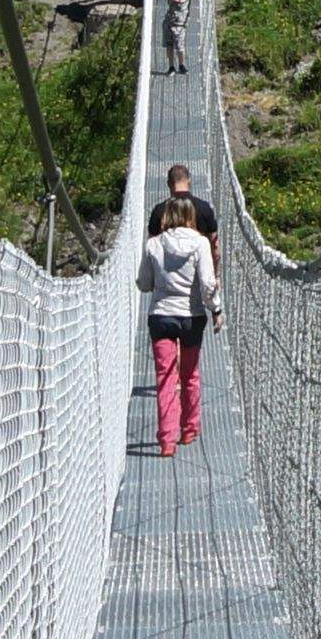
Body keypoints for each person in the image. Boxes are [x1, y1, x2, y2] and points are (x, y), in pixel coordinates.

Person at [139, 170, 217, 456]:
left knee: (165, 379)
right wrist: (216, 309)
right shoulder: (200, 243)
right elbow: (207, 283)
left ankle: (166, 441)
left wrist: (161, 279)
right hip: (192, 317)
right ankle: (189, 428)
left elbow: (144, 284)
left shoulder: (153, 244)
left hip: (161, 317)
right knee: (190, 376)